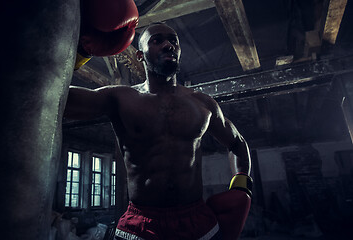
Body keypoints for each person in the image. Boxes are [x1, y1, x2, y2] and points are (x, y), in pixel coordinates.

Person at [65, 22, 253, 240]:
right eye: (157, 40)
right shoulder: (120, 98)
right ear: (139, 55)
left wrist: (242, 185)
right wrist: (81, 52)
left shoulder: (203, 104)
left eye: (173, 41)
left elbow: (237, 143)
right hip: (141, 223)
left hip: (197, 220)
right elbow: (57, 101)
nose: (168, 45)